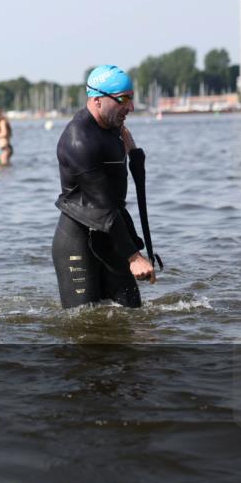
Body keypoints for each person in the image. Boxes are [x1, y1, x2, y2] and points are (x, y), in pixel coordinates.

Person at [52, 64, 156, 308]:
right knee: (84, 322)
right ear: (97, 100)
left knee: (133, 314)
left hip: (111, 234)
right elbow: (101, 205)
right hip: (78, 240)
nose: (130, 107)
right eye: (122, 99)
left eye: (131, 98)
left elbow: (127, 190)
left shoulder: (113, 127)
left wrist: (134, 152)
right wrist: (134, 257)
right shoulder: (79, 140)